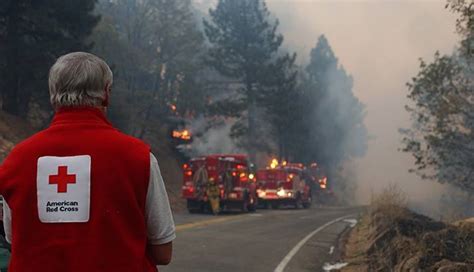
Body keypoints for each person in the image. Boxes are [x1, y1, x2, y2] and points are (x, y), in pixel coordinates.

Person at [0, 52, 175, 271]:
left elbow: (15, 239)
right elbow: (163, 251)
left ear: (53, 94)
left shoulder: (17, 160)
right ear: (106, 95)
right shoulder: (138, 157)